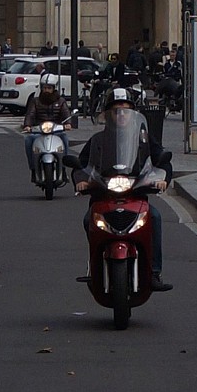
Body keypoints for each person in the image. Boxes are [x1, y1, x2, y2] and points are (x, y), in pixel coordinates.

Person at [73, 88, 170, 289]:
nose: (122, 115)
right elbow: (81, 165)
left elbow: (161, 158)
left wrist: (162, 178)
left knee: (155, 218)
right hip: (103, 196)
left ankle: (154, 271)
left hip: (136, 195)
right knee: (87, 220)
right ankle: (94, 266)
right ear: (108, 114)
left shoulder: (143, 139)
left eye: (126, 110)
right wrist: (82, 180)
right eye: (116, 111)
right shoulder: (98, 140)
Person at [23, 75, 72, 179]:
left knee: (64, 139)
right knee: (28, 139)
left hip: (56, 130)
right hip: (39, 130)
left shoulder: (61, 101)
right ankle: (33, 168)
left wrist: (68, 123)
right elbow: (30, 114)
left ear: (54, 88)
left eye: (49, 88)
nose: (46, 90)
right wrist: (27, 125)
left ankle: (63, 168)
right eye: (44, 87)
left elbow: (66, 113)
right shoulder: (35, 101)